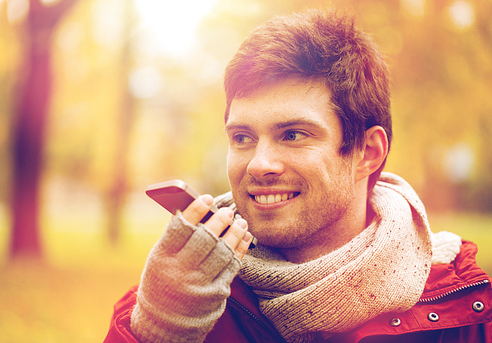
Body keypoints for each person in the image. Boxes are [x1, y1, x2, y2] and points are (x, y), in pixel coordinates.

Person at [104, 9, 492, 343]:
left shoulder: (464, 307)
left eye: (293, 135)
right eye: (242, 137)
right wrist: (158, 330)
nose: (259, 164)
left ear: (367, 153)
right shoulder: (175, 294)